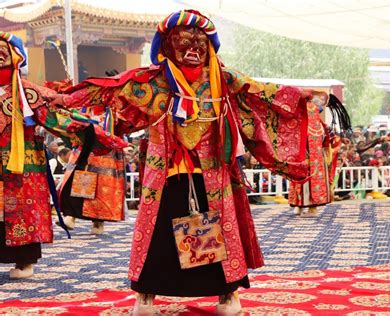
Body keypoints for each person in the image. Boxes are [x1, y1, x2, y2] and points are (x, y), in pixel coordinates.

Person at [49, 10, 344, 315]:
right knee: (157, 234)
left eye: (200, 42)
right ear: (166, 46)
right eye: (183, 41)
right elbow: (109, 87)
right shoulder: (154, 82)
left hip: (212, 173)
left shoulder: (223, 79)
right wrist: (64, 98)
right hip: (165, 174)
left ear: (210, 47)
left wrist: (303, 95)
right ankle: (146, 295)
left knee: (220, 231)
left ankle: (227, 295)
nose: (192, 49)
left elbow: (263, 91)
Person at [0, 32, 126, 279]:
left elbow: (56, 119)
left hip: (22, 163)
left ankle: (25, 262)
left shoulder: (26, 92)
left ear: (16, 56)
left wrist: (93, 133)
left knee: (22, 210)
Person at [288, 94, 350, 216]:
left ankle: (312, 208)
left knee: (313, 182)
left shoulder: (322, 125)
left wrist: (341, 140)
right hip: (303, 158)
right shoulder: (300, 124)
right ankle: (299, 205)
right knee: (301, 181)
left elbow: (330, 137)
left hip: (317, 159)